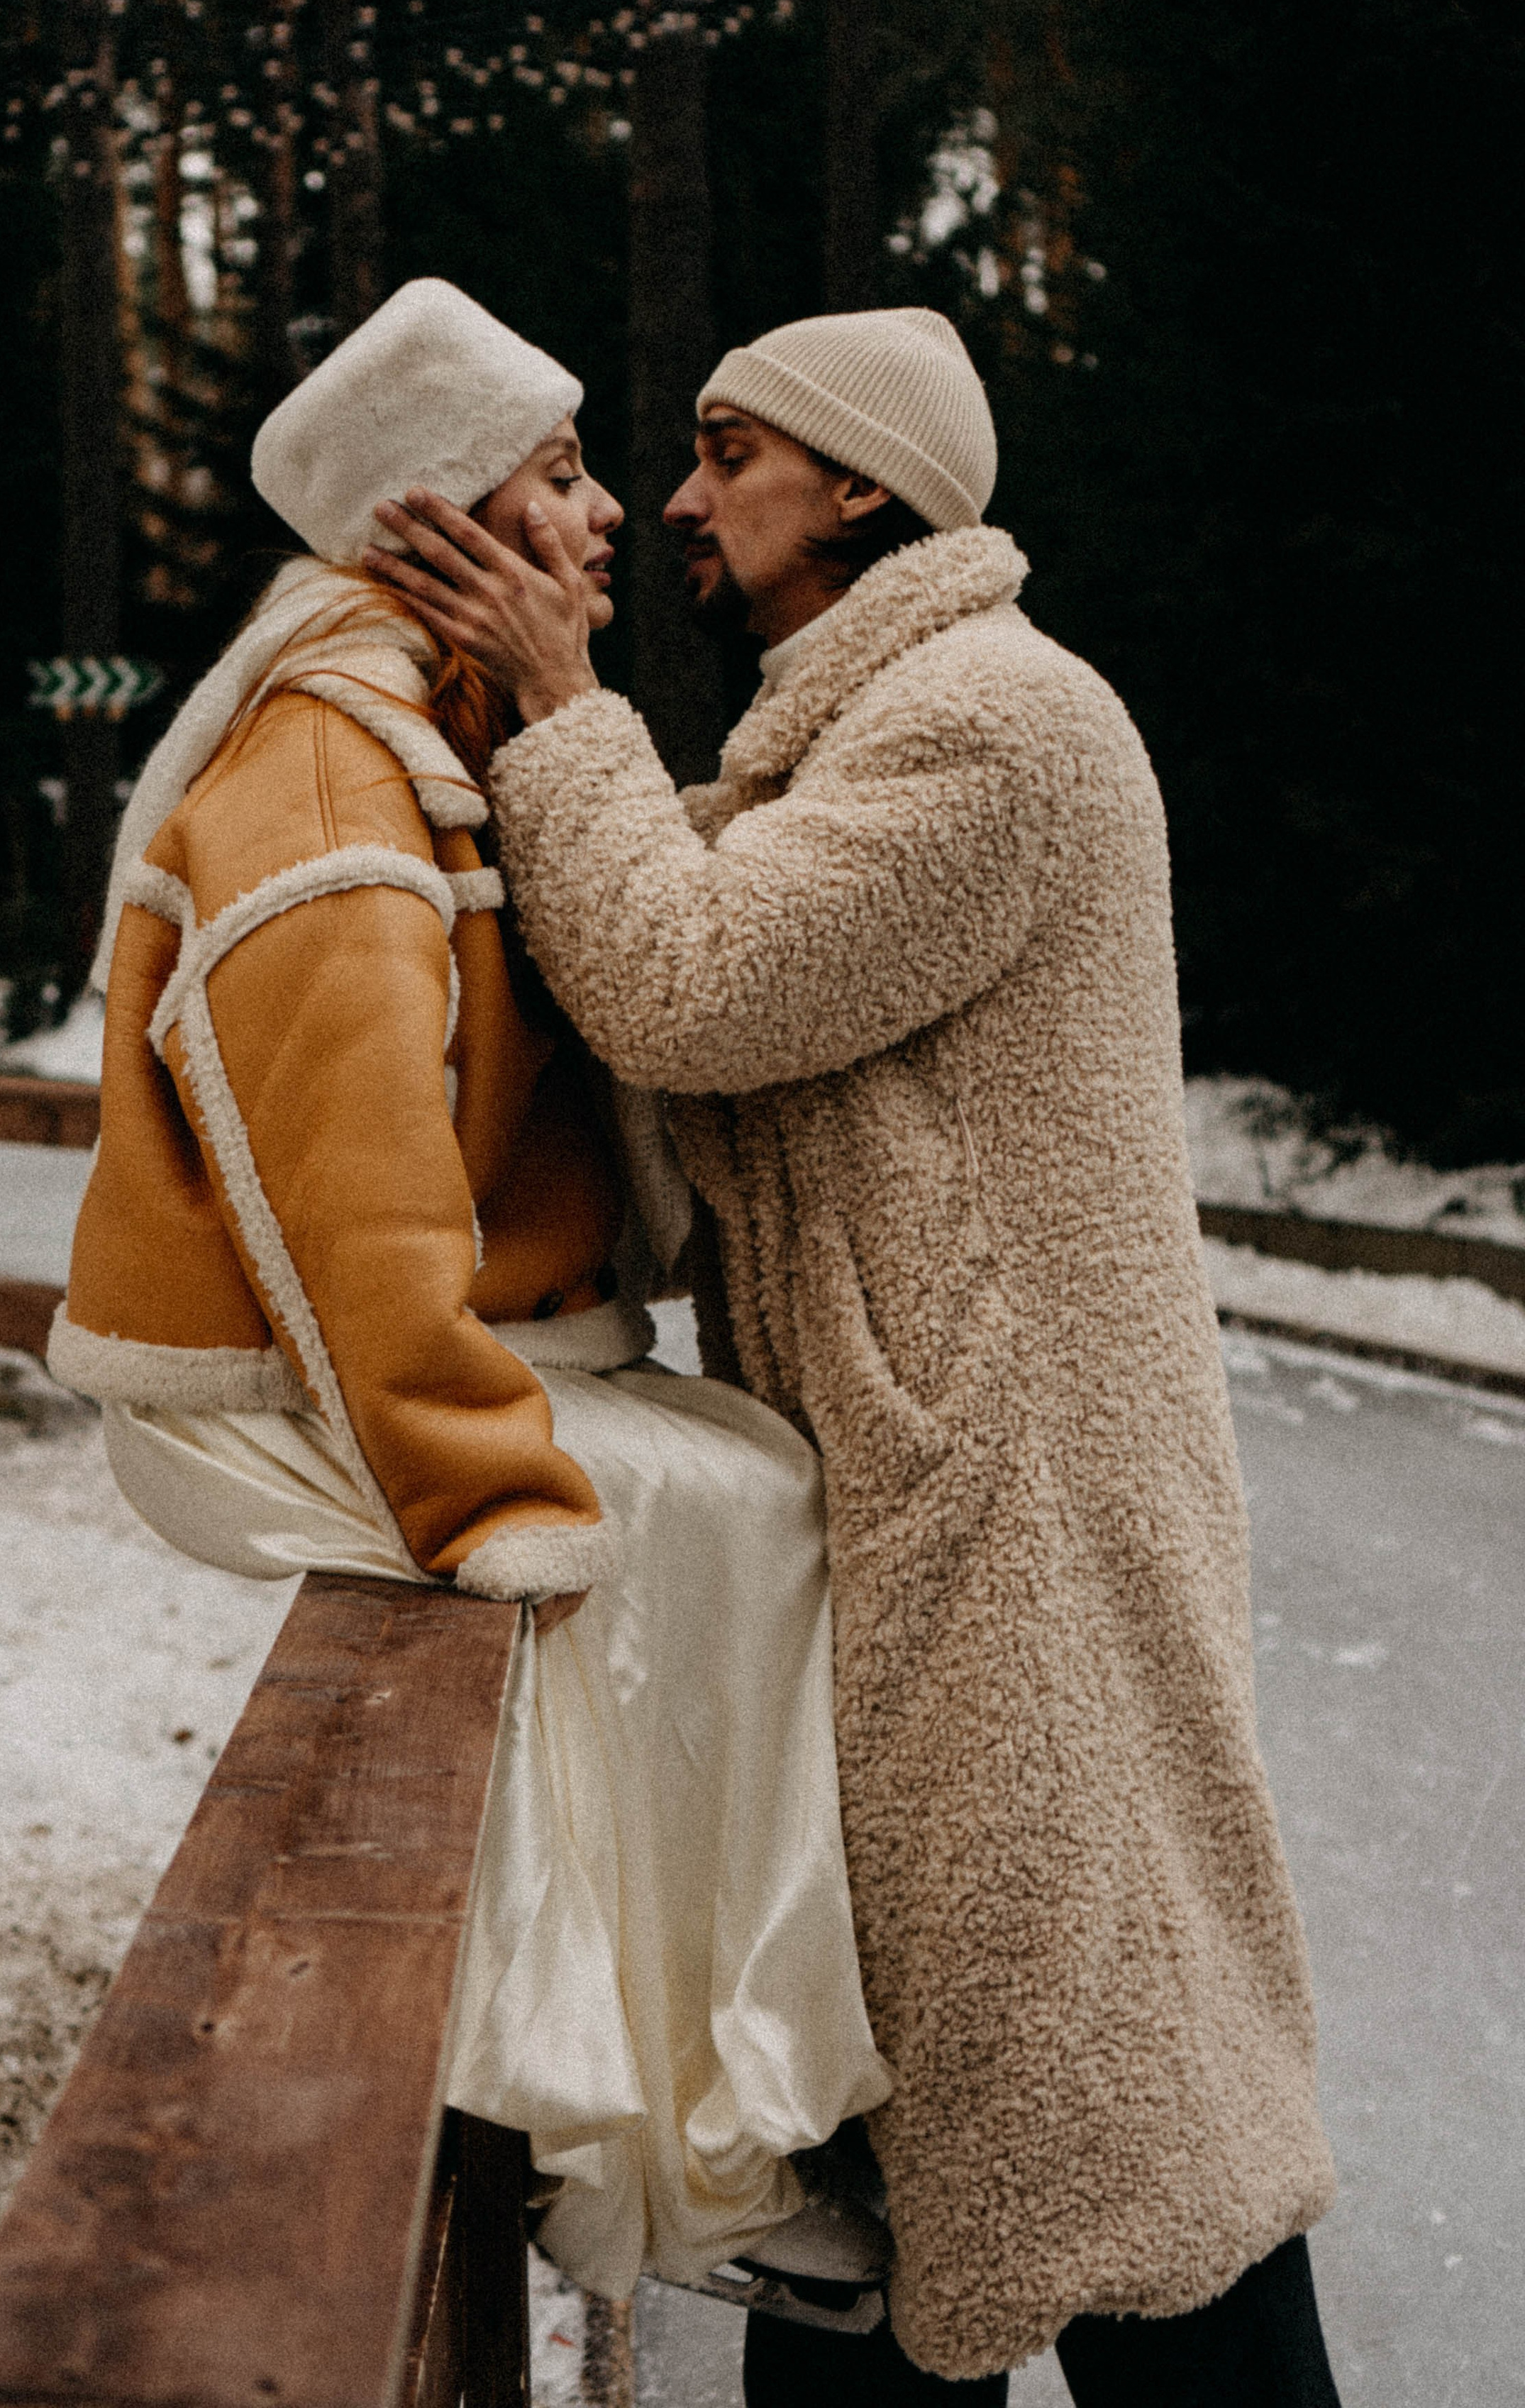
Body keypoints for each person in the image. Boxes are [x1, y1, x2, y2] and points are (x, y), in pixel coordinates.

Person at [362, 305, 1343, 2403]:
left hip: (1029, 1551)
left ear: (865, 483)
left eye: (730, 454)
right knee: (931, 2180)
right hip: (921, 1530)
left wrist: (557, 700)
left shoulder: (994, 720)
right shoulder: (838, 738)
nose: (682, 498)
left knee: (1137, 2174)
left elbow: (692, 990)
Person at [48, 278, 892, 2310]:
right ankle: (667, 2148)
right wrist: (473, 1486)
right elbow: (338, 1198)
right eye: (559, 470)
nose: (609, 515)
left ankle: (717, 2107)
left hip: (423, 1357)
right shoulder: (332, 775)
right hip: (276, 1393)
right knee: (721, 1520)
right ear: (433, 521)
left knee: (751, 1483)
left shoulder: (443, 732)